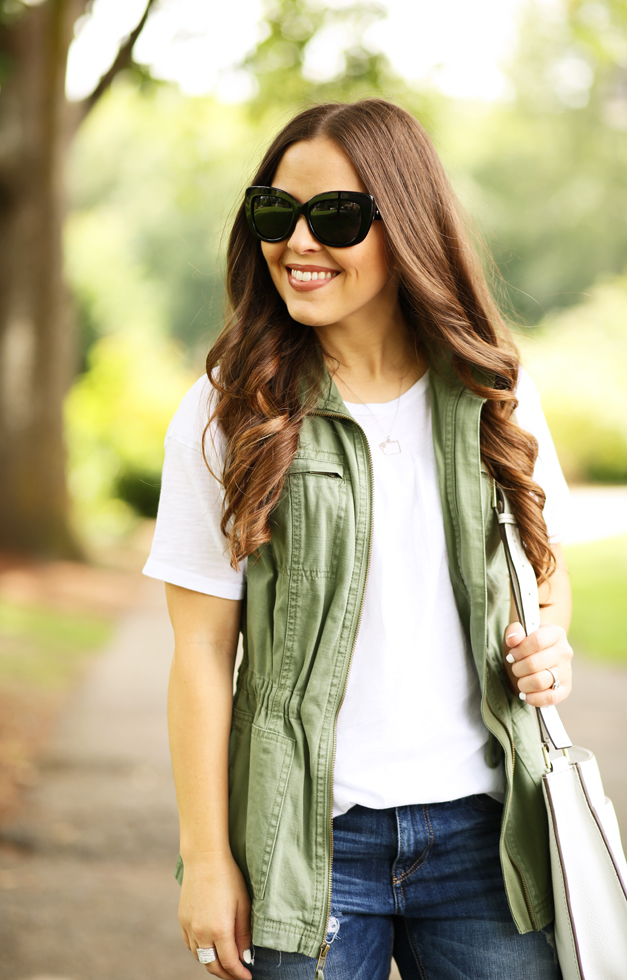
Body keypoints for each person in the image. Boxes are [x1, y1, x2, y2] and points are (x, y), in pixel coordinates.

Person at [143, 99, 573, 980]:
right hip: (306, 849)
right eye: (275, 211)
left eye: (334, 216)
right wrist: (209, 858)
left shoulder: (493, 389)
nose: (297, 242)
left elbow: (543, 570)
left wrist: (549, 646)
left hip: (486, 842)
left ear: (406, 223)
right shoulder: (229, 413)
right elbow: (197, 655)